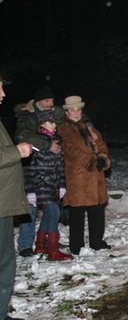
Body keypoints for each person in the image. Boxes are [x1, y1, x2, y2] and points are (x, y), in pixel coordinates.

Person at [57, 96, 111, 255]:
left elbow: (101, 144)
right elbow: (71, 151)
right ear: (66, 112)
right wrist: (93, 160)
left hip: (95, 177)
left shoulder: (89, 127)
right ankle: (76, 245)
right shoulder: (63, 129)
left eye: (78, 109)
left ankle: (96, 241)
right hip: (78, 176)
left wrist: (103, 157)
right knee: (77, 212)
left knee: (97, 209)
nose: (75, 113)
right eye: (72, 110)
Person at [14, 85, 64, 257]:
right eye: (47, 101)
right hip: (32, 167)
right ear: (39, 102)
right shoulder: (28, 116)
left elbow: (77, 117)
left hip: (50, 168)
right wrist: (48, 145)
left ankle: (46, 240)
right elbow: (23, 137)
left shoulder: (55, 113)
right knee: (31, 207)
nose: (51, 104)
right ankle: (25, 245)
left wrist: (86, 124)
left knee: (52, 207)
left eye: (52, 100)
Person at [0, 75, 31, 320]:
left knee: (6, 262)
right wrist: (16, 151)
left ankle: (0, 314)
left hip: (4, 204)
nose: (2, 94)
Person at [23, 109, 71, 260]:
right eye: (51, 122)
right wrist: (30, 190)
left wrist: (62, 185)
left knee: (51, 214)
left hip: (53, 186)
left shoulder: (57, 141)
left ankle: (41, 245)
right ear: (42, 124)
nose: (54, 125)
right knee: (54, 213)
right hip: (39, 186)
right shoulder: (37, 142)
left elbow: (60, 166)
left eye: (55, 122)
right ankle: (52, 250)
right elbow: (29, 169)